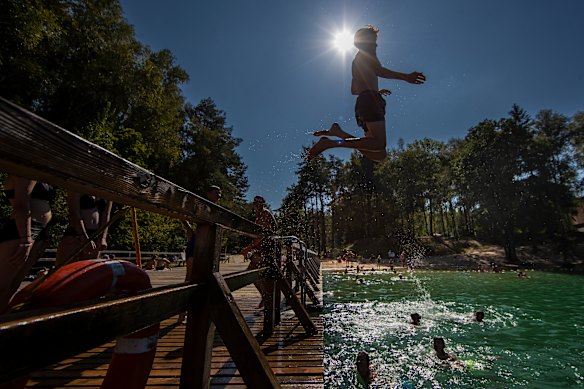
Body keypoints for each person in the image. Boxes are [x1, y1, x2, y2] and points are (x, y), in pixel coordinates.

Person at [308, 25, 425, 161]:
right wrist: (406, 77)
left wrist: (374, 90)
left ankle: (339, 134)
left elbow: (354, 90)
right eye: (373, 41)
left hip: (364, 102)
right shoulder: (367, 55)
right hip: (370, 100)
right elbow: (379, 71)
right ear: (363, 42)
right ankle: (329, 143)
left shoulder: (356, 61)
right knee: (379, 144)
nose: (376, 45)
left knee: (379, 154)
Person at [0, 176, 55, 313]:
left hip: (40, 230)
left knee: (13, 286)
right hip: (22, 230)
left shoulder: (42, 170)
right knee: (2, 286)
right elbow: (20, 205)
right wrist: (25, 239)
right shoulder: (24, 168)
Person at [178, 185, 222, 323]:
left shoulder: (215, 210)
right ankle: (181, 314)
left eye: (220, 194)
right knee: (189, 277)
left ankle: (199, 312)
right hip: (195, 244)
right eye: (216, 193)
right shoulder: (199, 204)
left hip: (207, 247)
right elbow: (182, 213)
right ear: (208, 193)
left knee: (204, 278)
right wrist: (189, 230)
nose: (219, 196)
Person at [56, 192, 112, 266]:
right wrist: (83, 237)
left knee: (88, 271)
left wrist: (103, 237)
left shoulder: (107, 189)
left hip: (95, 235)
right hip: (76, 233)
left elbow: (106, 214)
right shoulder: (79, 184)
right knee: (63, 269)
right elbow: (74, 211)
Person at [241, 195, 277, 309]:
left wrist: (248, 248)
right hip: (263, 249)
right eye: (255, 203)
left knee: (253, 273)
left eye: (259, 203)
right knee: (256, 274)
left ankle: (267, 299)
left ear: (263, 204)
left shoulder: (264, 214)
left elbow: (263, 235)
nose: (257, 205)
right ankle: (266, 298)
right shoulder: (259, 215)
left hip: (266, 249)